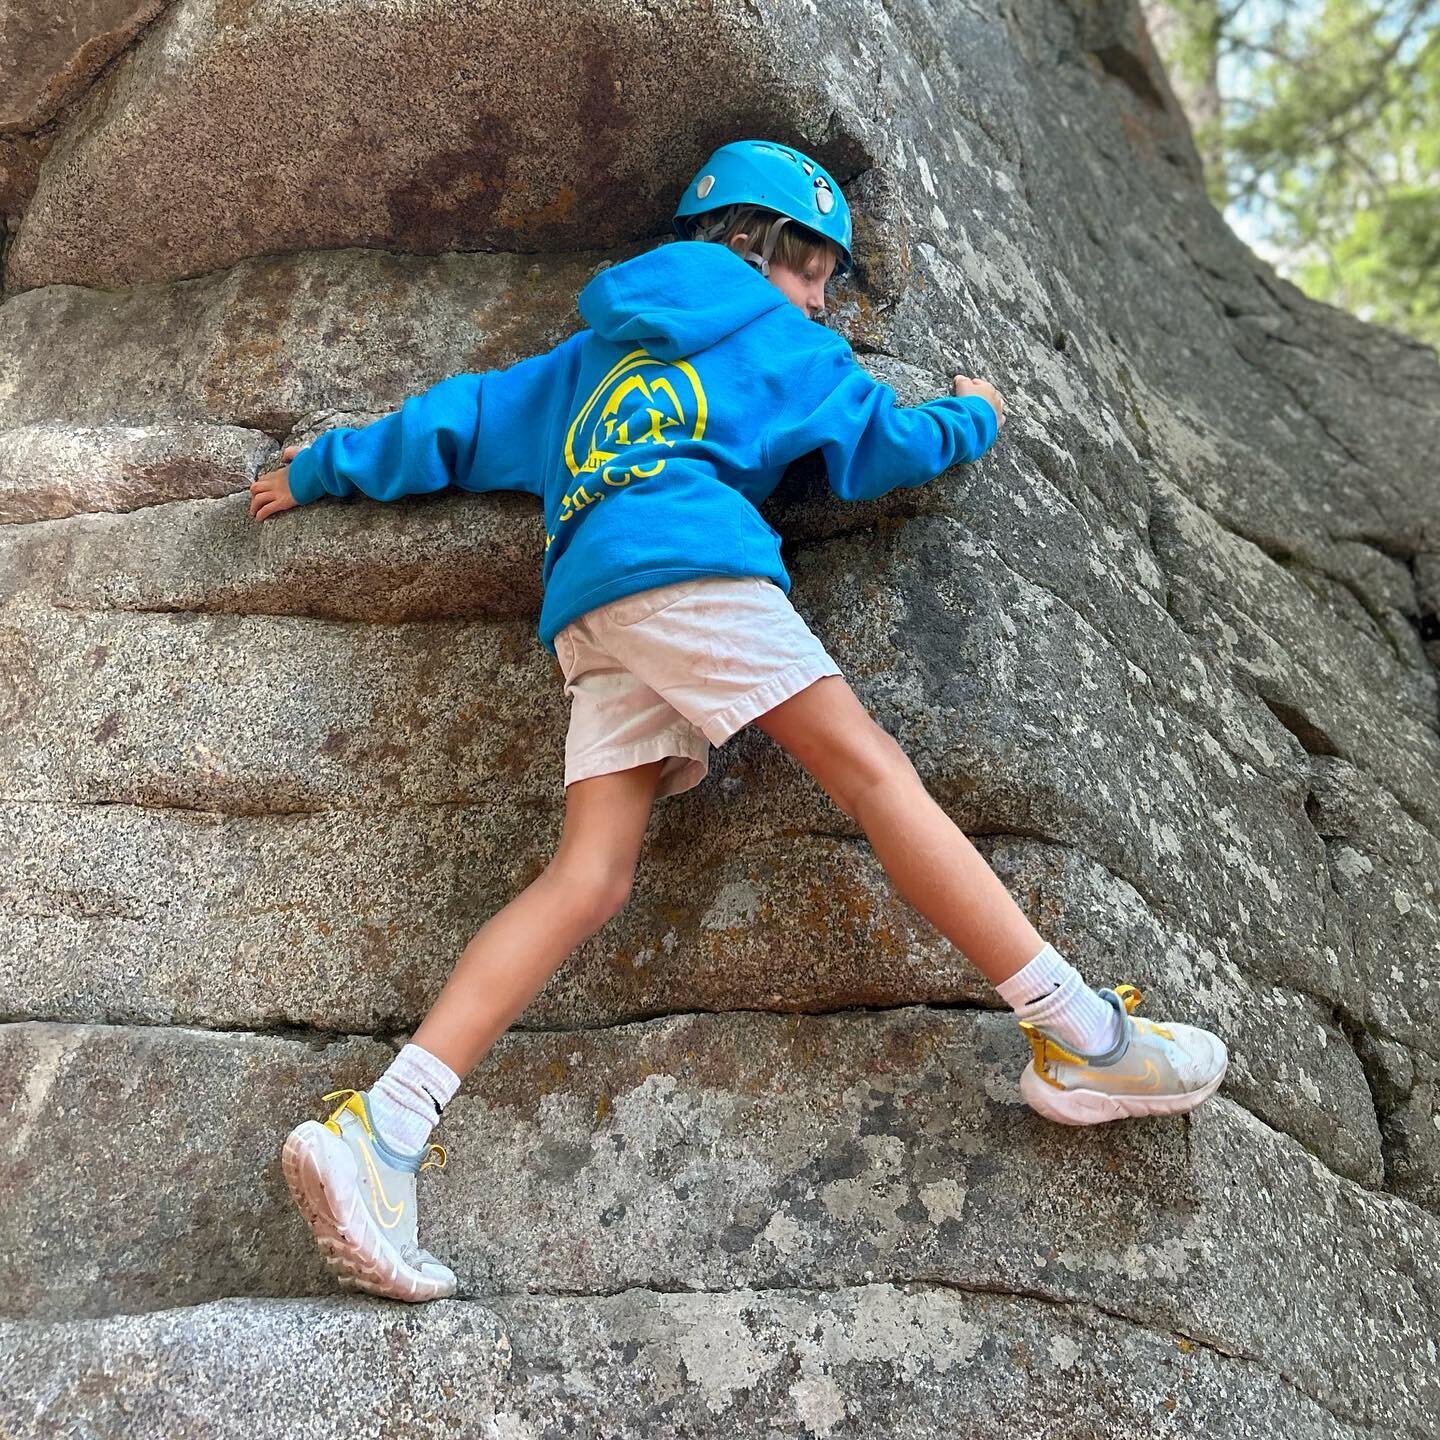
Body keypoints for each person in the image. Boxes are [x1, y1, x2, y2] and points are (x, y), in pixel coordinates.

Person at [252, 139, 1228, 1304]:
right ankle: (1082, 1036)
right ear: (762, 248)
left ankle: (385, 1131)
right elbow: (882, 447)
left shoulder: (592, 354)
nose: (826, 300)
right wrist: (974, 415)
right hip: (696, 567)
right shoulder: (791, 342)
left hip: (591, 603)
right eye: (815, 269)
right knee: (873, 777)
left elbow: (460, 421)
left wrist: (322, 469)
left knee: (591, 876)